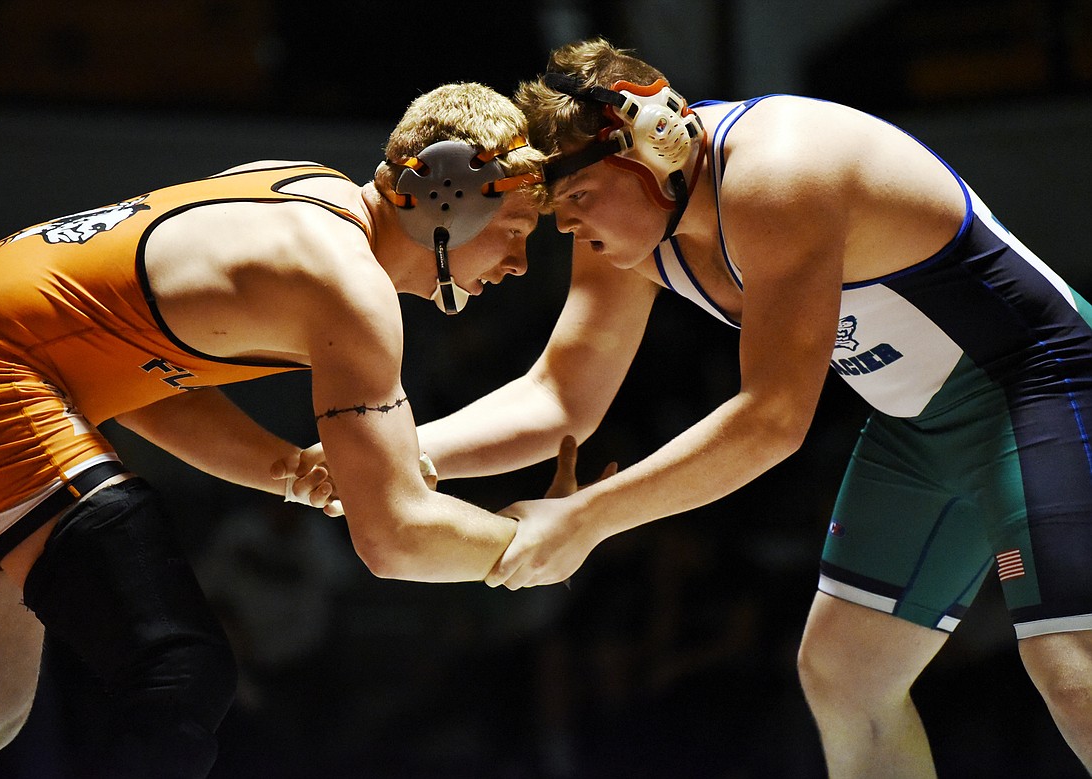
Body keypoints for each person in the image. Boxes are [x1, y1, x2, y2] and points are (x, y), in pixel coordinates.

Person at [298, 39, 1092, 774]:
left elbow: (774, 421)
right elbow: (560, 398)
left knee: (1071, 666)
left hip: (1041, 383)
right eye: (556, 207)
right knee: (845, 675)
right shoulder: (632, 217)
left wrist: (586, 517)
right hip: (919, 424)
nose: (566, 224)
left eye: (575, 196)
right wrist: (398, 452)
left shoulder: (781, 170)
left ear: (659, 148)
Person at [0, 82, 548, 778]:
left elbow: (140, 383)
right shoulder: (350, 288)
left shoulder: (297, 184)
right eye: (516, 229)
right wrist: (529, 544)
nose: (520, 263)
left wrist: (285, 470)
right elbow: (393, 535)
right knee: (177, 670)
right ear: (451, 194)